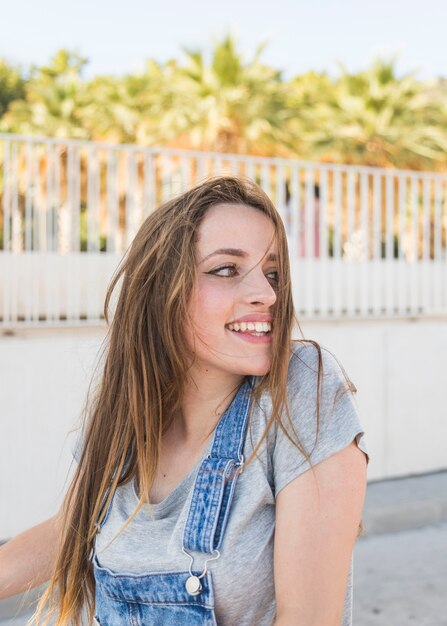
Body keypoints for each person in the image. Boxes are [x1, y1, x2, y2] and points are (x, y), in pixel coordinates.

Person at [0, 176, 369, 626]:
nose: (267, 295)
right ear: (162, 293)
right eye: (226, 270)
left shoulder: (298, 391)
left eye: (272, 274)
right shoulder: (125, 416)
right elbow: (69, 530)